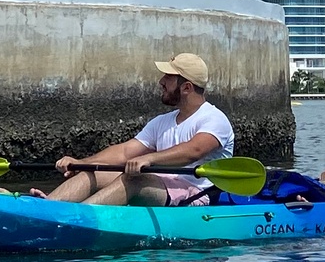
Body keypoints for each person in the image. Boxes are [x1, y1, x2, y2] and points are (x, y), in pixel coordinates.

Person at [46, 53, 234, 206]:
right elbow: (125, 152)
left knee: (133, 179)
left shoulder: (215, 119)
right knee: (91, 173)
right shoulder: (162, 121)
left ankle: (78, 218)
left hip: (197, 194)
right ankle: (47, 207)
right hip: (160, 186)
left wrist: (149, 158)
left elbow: (194, 151)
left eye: (168, 78)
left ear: (186, 88)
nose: (161, 82)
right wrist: (80, 163)